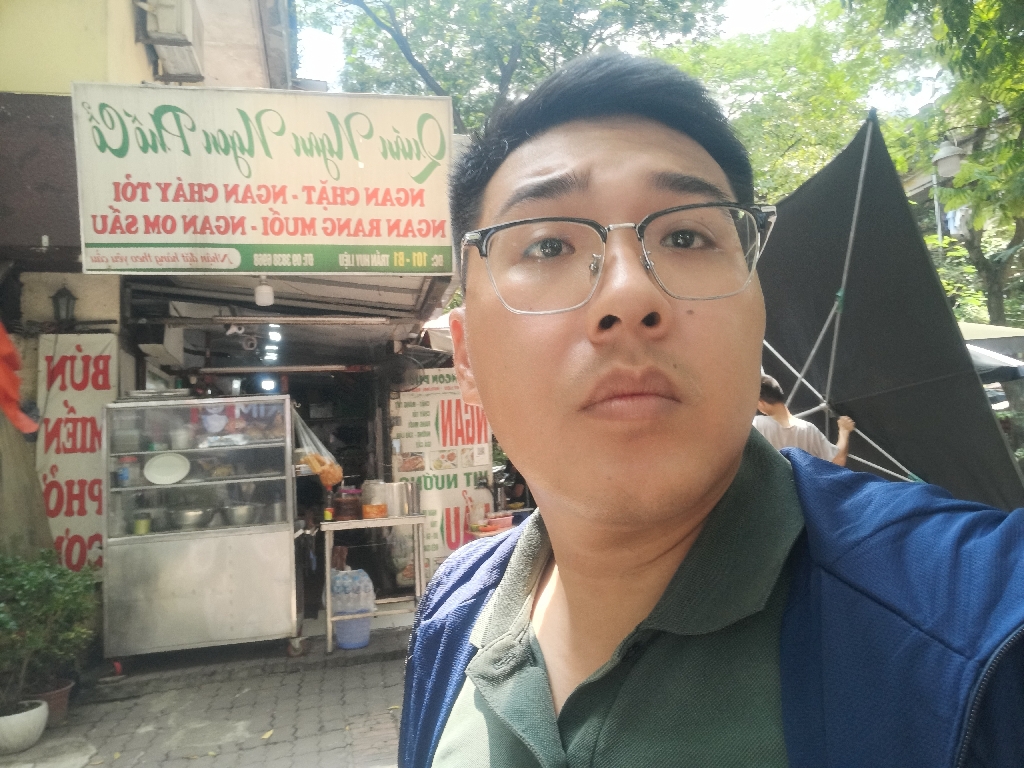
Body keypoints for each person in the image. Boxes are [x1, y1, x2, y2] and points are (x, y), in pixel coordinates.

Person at [399, 53, 1024, 768]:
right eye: (547, 244)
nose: (629, 295)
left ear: (758, 312)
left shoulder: (983, 626)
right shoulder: (453, 610)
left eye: (686, 237)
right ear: (467, 356)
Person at [754, 374, 855, 465]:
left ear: (761, 403)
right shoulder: (809, 430)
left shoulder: (756, 425)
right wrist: (844, 431)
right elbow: (837, 460)